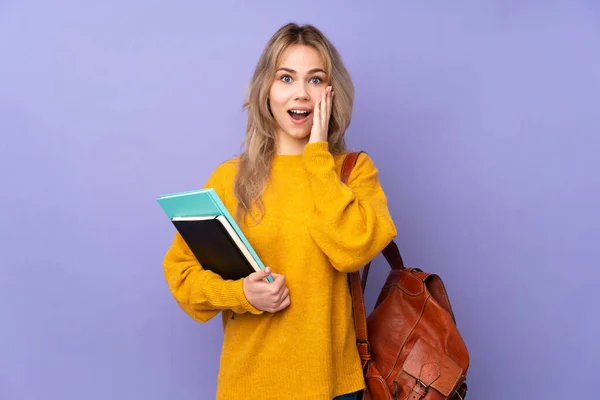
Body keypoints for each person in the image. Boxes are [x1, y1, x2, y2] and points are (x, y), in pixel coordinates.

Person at [162, 22, 397, 400]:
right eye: (286, 78)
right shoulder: (229, 179)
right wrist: (243, 295)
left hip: (334, 387)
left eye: (315, 80)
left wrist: (318, 158)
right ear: (266, 90)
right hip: (249, 385)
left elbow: (352, 249)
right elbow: (182, 275)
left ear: (332, 93)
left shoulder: (354, 172)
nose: (301, 93)